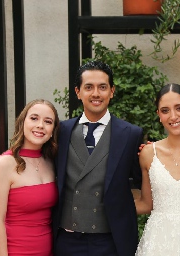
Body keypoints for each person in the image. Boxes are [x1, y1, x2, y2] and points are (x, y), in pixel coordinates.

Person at [53, 60, 144, 256]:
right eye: (89, 87)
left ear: (112, 91)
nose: (96, 93)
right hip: (67, 241)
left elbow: (141, 182)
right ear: (78, 92)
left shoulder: (131, 134)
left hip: (110, 242)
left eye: (102, 87)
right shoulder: (61, 131)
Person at [135, 83, 180, 256]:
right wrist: (105, 208)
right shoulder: (147, 153)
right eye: (165, 110)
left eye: (179, 108)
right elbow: (146, 204)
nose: (173, 116)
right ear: (158, 115)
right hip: (157, 242)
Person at [0, 99, 60, 256]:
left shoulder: (51, 162)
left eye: (48, 121)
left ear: (53, 129)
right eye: (34, 118)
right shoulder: (4, 164)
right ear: (22, 122)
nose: (40, 125)